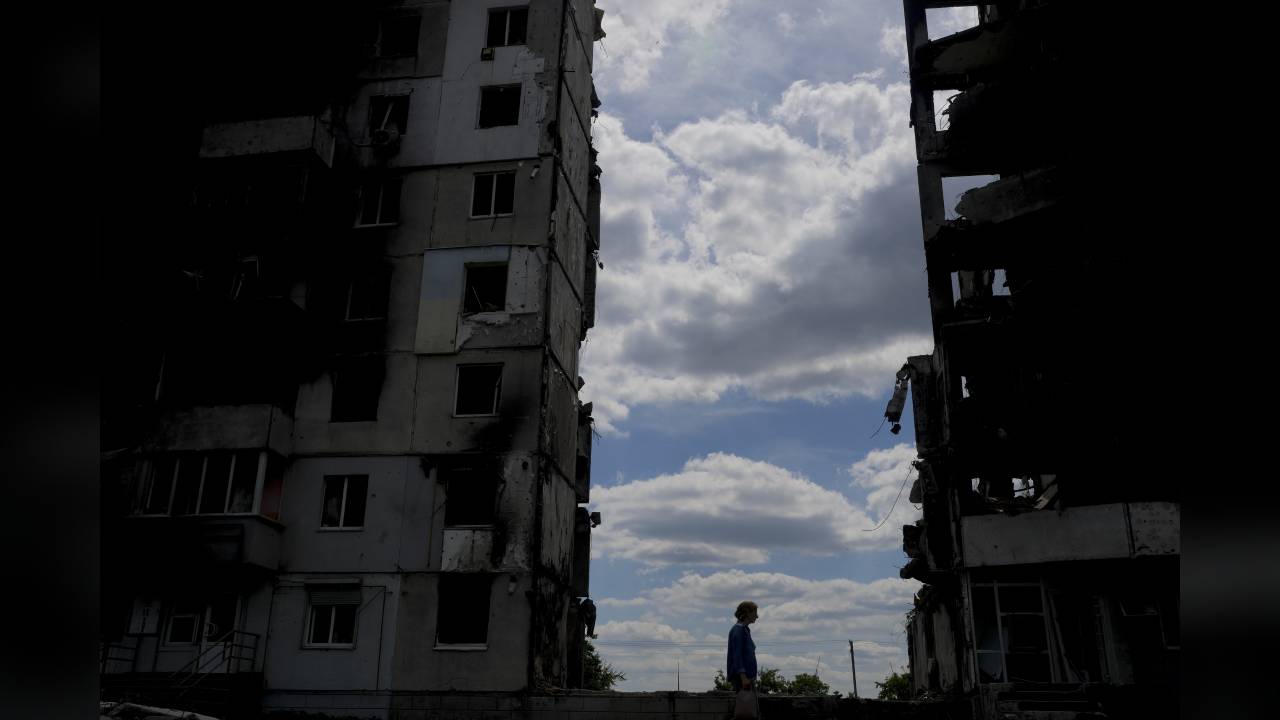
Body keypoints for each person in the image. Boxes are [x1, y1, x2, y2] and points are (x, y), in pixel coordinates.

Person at [726, 600, 758, 691]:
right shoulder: (738, 630)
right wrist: (743, 678)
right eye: (755, 612)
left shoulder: (744, 630)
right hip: (741, 680)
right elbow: (737, 655)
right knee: (742, 704)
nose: (757, 616)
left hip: (747, 679)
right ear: (747, 613)